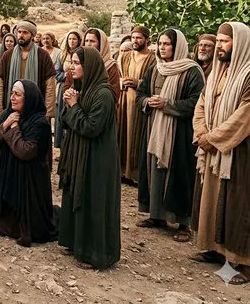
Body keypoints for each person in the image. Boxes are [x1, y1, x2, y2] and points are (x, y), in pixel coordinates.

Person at [190, 22, 250, 285]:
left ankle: (244, 263)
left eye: (225, 42)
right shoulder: (216, 72)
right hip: (213, 147)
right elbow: (202, 104)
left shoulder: (247, 75)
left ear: (240, 44)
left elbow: (244, 115)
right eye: (220, 41)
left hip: (238, 152)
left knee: (238, 204)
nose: (220, 46)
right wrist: (203, 133)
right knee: (213, 199)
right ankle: (214, 248)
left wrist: (213, 139)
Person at [136, 29, 205, 242]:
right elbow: (141, 93)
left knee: (179, 174)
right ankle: (157, 215)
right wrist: (148, 102)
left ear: (178, 47)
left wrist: (168, 105)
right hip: (154, 127)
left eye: (167, 44)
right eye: (161, 43)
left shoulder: (192, 72)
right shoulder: (155, 69)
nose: (162, 47)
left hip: (179, 132)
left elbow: (196, 102)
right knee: (154, 171)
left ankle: (184, 223)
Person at [57, 47, 121, 270]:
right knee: (77, 195)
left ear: (90, 66)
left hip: (97, 158)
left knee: (94, 201)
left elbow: (91, 127)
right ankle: (75, 243)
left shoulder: (103, 94)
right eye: (71, 62)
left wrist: (74, 106)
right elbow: (69, 123)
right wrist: (70, 105)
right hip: (79, 154)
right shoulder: (81, 88)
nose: (71, 67)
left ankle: (95, 253)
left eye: (76, 63)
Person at [0, 80, 58, 247]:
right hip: (6, 178)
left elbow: (25, 151)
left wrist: (15, 128)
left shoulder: (40, 123)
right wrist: (5, 124)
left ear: (29, 98)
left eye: (17, 94)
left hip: (28, 183)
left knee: (36, 230)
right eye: (12, 93)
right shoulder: (7, 115)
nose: (12, 98)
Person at [0, 21, 56, 121]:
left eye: (25, 33)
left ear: (32, 35)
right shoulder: (7, 55)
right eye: (19, 32)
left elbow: (50, 86)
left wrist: (48, 113)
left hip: (36, 112)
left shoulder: (43, 55)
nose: (21, 35)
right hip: (11, 109)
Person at [117, 26, 156, 182]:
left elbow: (155, 82)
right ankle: (122, 172)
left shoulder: (153, 59)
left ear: (147, 39)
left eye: (139, 38)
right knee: (123, 134)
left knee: (137, 136)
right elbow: (116, 77)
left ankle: (136, 174)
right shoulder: (124, 57)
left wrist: (138, 83)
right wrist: (122, 82)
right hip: (124, 102)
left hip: (140, 105)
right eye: (133, 37)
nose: (135, 41)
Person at [55, 30, 82, 149]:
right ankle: (61, 145)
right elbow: (56, 72)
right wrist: (66, 75)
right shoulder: (62, 55)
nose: (72, 41)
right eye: (70, 39)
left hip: (77, 87)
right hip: (64, 87)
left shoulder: (82, 54)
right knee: (63, 114)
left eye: (74, 39)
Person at [83, 28, 122, 104]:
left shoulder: (110, 65)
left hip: (101, 106)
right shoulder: (80, 62)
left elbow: (115, 92)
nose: (88, 44)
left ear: (101, 44)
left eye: (92, 41)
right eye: (86, 41)